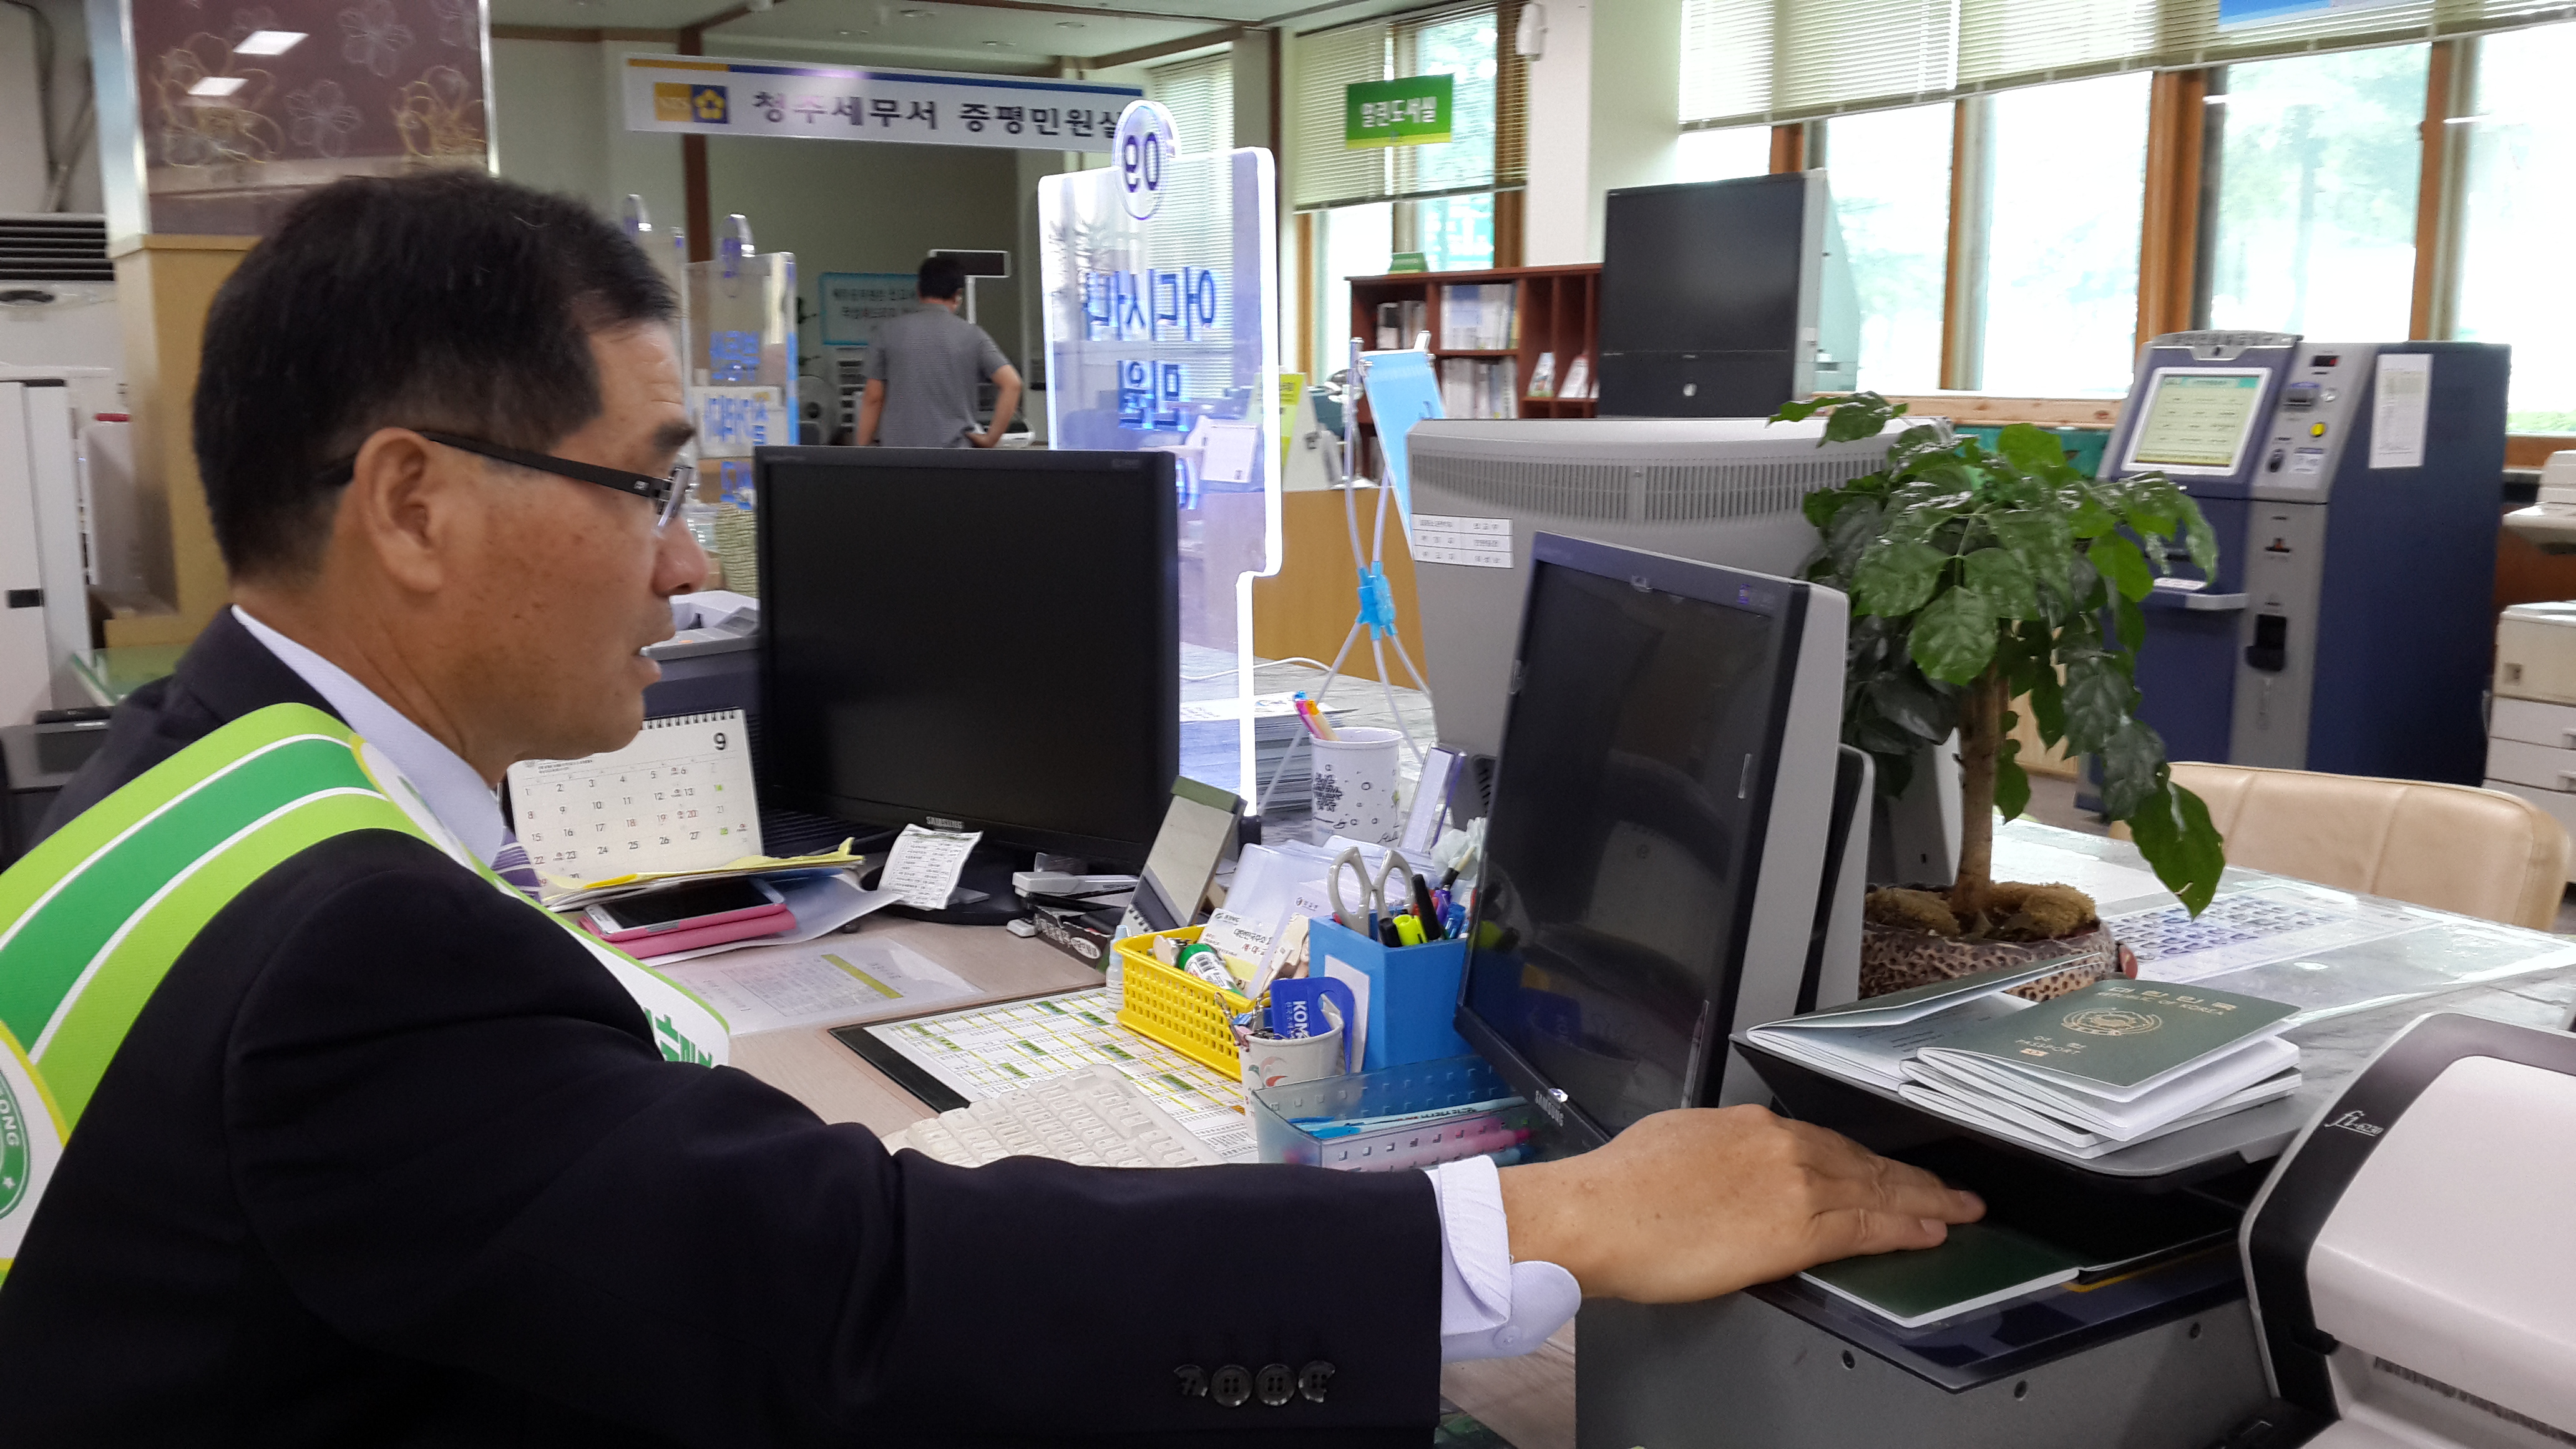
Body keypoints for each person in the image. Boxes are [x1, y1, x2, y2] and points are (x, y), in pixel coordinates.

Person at [0, 172, 1980, 1445]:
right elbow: (849, 1295)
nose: (685, 565)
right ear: (413, 504)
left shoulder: (174, 779)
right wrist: (1541, 1220)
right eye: (649, 484)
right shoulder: (361, 944)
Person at [857, 254, 1021, 449]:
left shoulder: (887, 332)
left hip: (900, 455)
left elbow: (873, 398)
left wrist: (861, 452)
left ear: (919, 290)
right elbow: (1012, 384)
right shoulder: (973, 336)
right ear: (957, 295)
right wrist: (990, 439)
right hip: (955, 455)